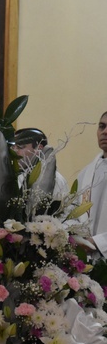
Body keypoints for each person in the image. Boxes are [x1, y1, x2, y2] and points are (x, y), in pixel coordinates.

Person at [77, 111, 107, 259]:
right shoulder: (85, 174)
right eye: (102, 126)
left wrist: (97, 242)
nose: (105, 132)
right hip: (88, 260)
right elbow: (73, 212)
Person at [12, 127, 69, 199]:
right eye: (12, 148)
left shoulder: (56, 180)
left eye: (20, 147)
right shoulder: (12, 177)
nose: (14, 152)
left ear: (39, 148)